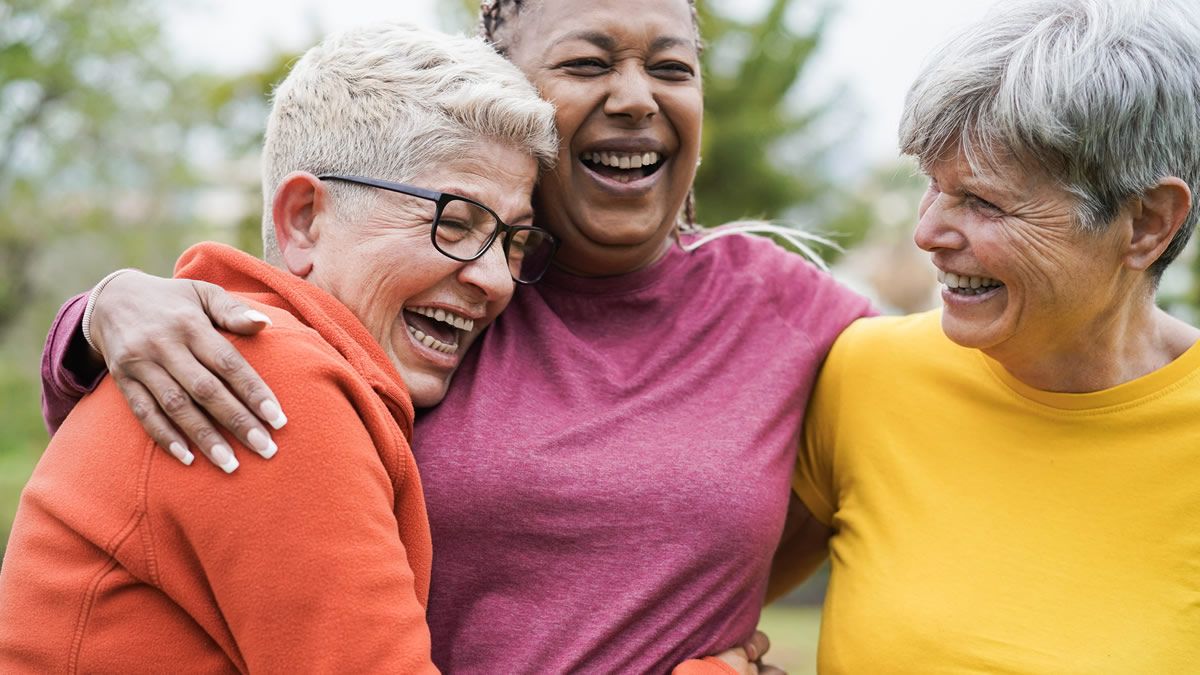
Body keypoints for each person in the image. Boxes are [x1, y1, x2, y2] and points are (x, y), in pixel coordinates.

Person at [37, 0, 870, 671]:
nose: (635, 97)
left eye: (672, 67)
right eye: (587, 62)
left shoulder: (788, 311)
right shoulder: (265, 361)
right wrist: (101, 311)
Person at [0, 22, 560, 671]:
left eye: (514, 242)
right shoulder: (271, 378)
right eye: (454, 222)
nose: (494, 279)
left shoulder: (232, 349)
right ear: (303, 219)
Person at [771, 0, 1200, 669]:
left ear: (1147, 223)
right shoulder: (865, 374)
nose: (927, 233)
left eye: (984, 201)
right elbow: (689, 612)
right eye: (932, 187)